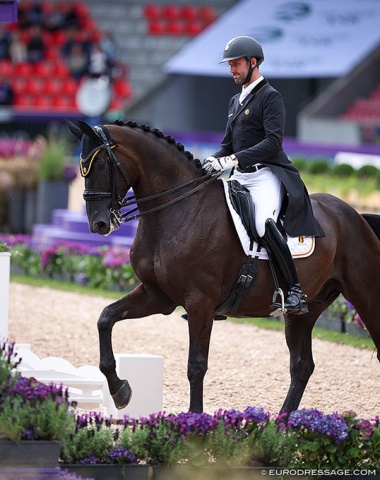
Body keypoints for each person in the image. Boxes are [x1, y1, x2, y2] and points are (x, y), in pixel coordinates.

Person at [203, 36, 324, 316]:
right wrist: (212, 159)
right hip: (240, 175)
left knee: (262, 223)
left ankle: (294, 291)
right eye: (230, 65)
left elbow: (272, 142)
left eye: (236, 64)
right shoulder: (236, 100)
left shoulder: (270, 96)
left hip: (266, 174)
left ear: (253, 62)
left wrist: (232, 159)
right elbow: (228, 142)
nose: (232, 70)